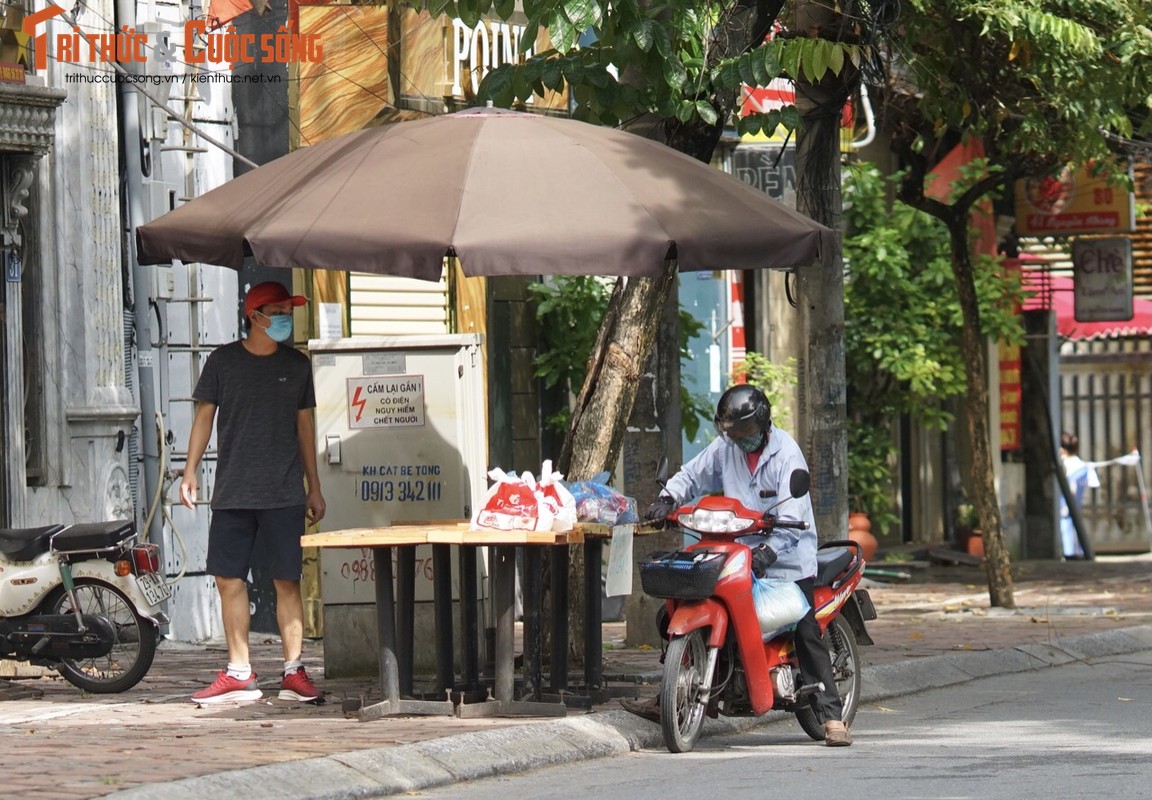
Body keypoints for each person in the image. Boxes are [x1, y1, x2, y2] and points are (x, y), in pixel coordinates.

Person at [620, 383, 852, 747]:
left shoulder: (787, 455)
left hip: (786, 563)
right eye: (732, 432)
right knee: (674, 613)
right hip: (735, 555)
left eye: (744, 432)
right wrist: (668, 498)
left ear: (762, 424)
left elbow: (794, 514)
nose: (738, 438)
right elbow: (693, 474)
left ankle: (832, 717)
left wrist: (769, 552)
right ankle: (675, 693)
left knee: (806, 631)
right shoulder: (725, 448)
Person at [180, 281, 327, 704]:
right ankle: (239, 672)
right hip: (233, 489)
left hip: (284, 490)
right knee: (228, 579)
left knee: (287, 581)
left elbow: (304, 428)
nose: (285, 317)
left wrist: (314, 487)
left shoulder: (297, 365)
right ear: (255, 315)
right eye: (278, 309)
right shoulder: (223, 362)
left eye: (288, 310)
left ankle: (294, 671)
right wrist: (189, 471)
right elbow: (204, 418)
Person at [1058, 431, 1098, 560]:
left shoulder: (1067, 466)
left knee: (1066, 526)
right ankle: (1079, 551)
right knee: (1076, 526)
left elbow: (1072, 488)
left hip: (1065, 503)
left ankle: (1069, 552)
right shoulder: (1083, 467)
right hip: (1077, 503)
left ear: (1062, 450)